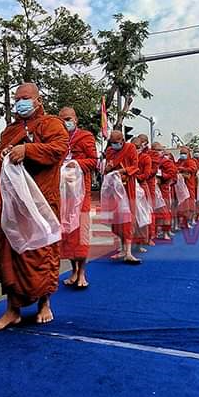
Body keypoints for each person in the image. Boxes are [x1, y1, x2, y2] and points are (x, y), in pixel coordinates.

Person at [0, 83, 69, 332]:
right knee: (10, 256)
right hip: (14, 204)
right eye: (17, 98)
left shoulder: (51, 123)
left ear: (37, 100)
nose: (20, 102)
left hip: (42, 201)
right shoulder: (10, 129)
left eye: (25, 98)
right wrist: (7, 152)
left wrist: (29, 149)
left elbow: (59, 149)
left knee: (42, 253)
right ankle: (12, 310)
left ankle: (44, 303)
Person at [58, 107, 97, 289]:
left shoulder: (85, 137)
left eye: (68, 119)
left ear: (76, 120)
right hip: (63, 193)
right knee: (67, 232)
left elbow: (93, 161)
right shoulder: (58, 138)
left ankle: (82, 273)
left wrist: (75, 163)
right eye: (62, 120)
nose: (65, 122)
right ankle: (73, 270)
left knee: (81, 231)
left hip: (81, 193)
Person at [103, 130, 142, 264]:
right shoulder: (109, 151)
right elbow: (106, 170)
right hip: (115, 188)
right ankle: (122, 248)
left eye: (117, 143)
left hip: (127, 187)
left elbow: (135, 167)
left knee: (127, 218)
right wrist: (108, 168)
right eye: (112, 143)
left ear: (123, 140)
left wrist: (122, 171)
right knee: (117, 220)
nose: (115, 145)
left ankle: (129, 252)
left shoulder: (130, 148)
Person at [152, 142, 176, 240]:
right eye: (155, 150)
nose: (157, 152)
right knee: (154, 211)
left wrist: (161, 175)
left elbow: (172, 173)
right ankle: (156, 231)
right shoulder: (150, 159)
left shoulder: (166, 162)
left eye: (159, 150)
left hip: (164, 188)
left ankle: (166, 231)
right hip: (153, 189)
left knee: (165, 211)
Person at [177, 147, 198, 227]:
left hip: (189, 185)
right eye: (181, 153)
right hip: (181, 186)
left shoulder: (191, 161)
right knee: (181, 204)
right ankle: (181, 221)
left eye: (184, 153)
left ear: (188, 154)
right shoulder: (179, 161)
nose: (183, 155)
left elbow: (193, 169)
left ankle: (190, 220)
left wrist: (182, 169)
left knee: (190, 203)